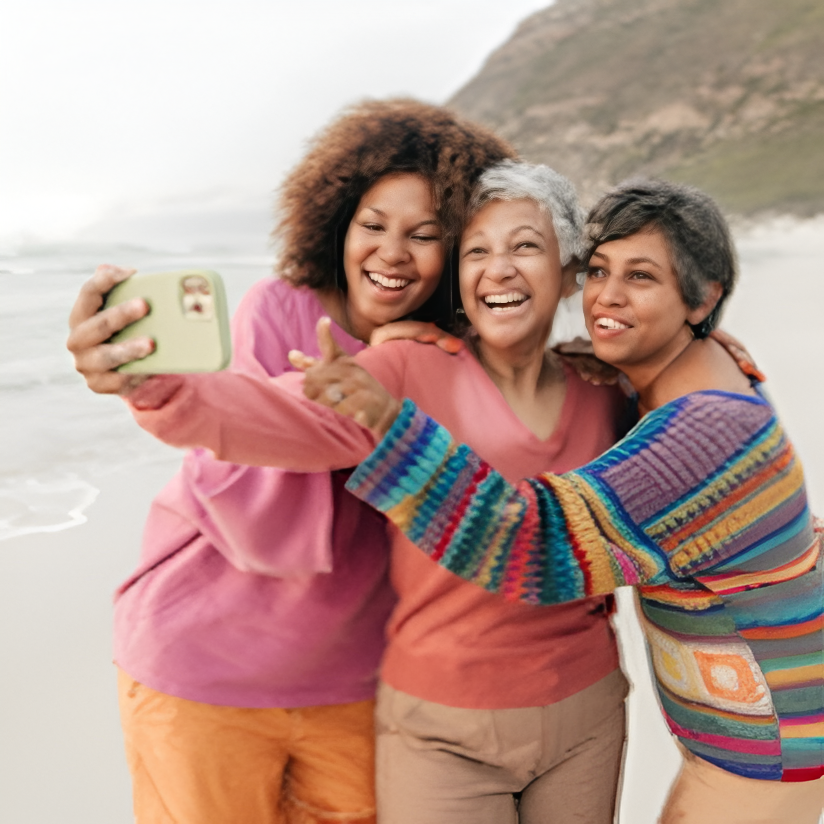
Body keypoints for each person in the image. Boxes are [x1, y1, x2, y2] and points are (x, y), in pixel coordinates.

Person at [109, 161, 631, 822]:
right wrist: (158, 385)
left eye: (524, 246)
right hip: (287, 683)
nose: (498, 267)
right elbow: (265, 414)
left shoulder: (603, 389)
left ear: (567, 270)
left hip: (547, 700)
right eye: (477, 250)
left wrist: (687, 344)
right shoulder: (394, 364)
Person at [307, 179, 824, 824]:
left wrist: (392, 426)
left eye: (641, 277)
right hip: (773, 732)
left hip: (772, 756)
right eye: (600, 270)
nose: (607, 295)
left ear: (704, 296)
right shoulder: (705, 371)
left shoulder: (700, 435)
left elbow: (533, 543)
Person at [65, 98, 513, 824]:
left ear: (463, 248)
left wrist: (677, 354)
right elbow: (272, 414)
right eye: (372, 226)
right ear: (337, 221)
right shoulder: (279, 306)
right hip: (199, 660)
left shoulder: (457, 355)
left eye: (425, 234)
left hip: (360, 680)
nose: (392, 252)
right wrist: (159, 387)